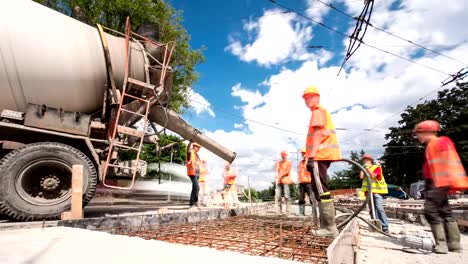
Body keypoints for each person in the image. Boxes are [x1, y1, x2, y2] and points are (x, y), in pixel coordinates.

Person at [414, 120, 468, 254]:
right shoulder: (433, 144)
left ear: (427, 132)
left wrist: (443, 183)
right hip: (437, 181)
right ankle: (454, 245)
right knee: (444, 211)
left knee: (430, 211)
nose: (418, 137)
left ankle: (441, 245)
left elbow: (447, 162)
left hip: (438, 181)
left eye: (419, 134)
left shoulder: (440, 142)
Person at [302, 86, 342, 237]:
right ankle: (326, 226)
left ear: (317, 97)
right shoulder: (319, 111)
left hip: (320, 155)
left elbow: (318, 133)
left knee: (321, 190)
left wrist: (311, 157)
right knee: (320, 188)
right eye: (305, 98)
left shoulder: (318, 111)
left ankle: (330, 228)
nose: (307, 100)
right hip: (322, 154)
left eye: (310, 97)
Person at [359, 153, 390, 233]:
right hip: (369, 193)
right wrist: (362, 169)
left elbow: (373, 176)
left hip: (377, 192)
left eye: (365, 160)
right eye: (363, 160)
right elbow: (361, 177)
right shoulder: (364, 168)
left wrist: (368, 169)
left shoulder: (377, 167)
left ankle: (385, 227)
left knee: (380, 209)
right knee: (372, 210)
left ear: (370, 160)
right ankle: (375, 226)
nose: (364, 161)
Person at [298, 148, 315, 216]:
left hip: (309, 182)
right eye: (302, 153)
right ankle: (302, 213)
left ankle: (314, 212)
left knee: (311, 198)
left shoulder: (310, 162)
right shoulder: (300, 163)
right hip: (301, 183)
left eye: (304, 153)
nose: (303, 155)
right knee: (301, 198)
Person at [275, 150, 292, 215]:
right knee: (278, 196)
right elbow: (277, 171)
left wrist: (280, 175)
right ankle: (279, 212)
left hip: (286, 181)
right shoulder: (279, 163)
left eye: (284, 155)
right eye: (282, 155)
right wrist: (277, 175)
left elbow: (287, 172)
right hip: (279, 181)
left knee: (287, 196)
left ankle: (288, 212)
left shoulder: (288, 162)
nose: (283, 157)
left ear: (286, 156)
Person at [186, 142, 201, 208]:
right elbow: (188, 149)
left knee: (196, 188)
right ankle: (192, 203)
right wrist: (190, 142)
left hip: (197, 172)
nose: (199, 149)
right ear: (194, 147)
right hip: (192, 172)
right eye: (198, 147)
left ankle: (195, 201)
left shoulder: (197, 155)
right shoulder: (190, 153)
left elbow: (198, 163)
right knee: (196, 187)